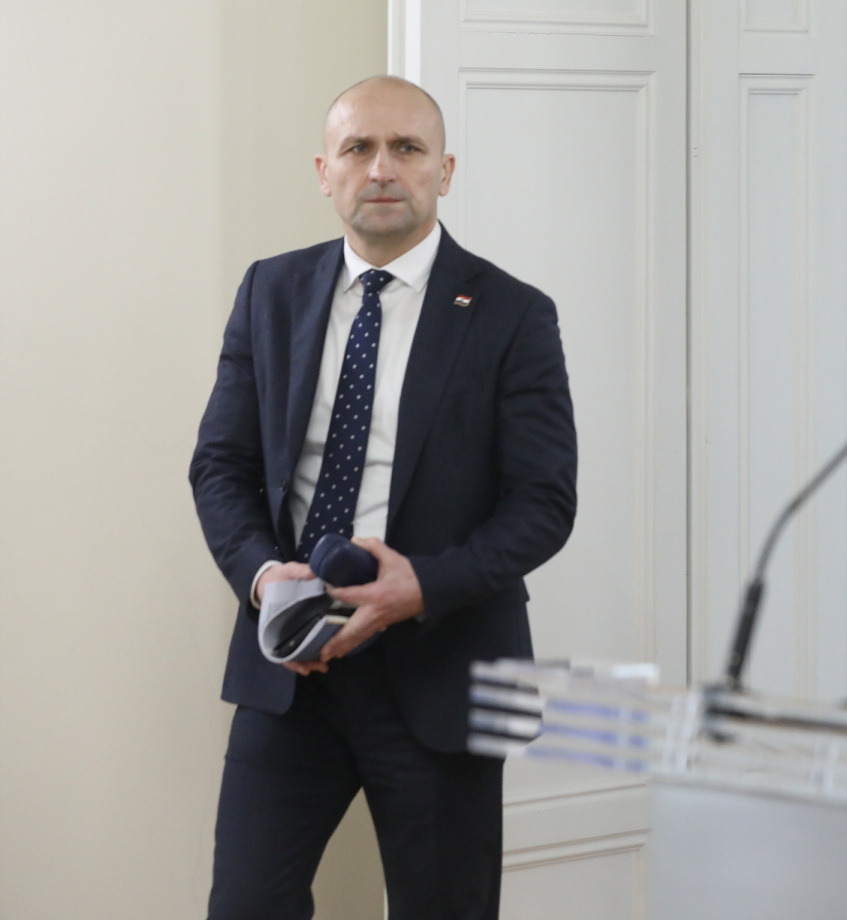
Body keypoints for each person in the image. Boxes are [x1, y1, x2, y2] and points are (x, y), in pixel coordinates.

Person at [189, 75, 577, 919]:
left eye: (406, 148)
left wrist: (420, 587)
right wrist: (264, 580)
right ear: (324, 171)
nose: (381, 169)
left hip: (441, 669)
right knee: (245, 905)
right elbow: (220, 465)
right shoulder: (269, 291)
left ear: (445, 170)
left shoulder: (512, 314)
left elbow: (544, 502)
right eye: (359, 148)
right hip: (293, 669)